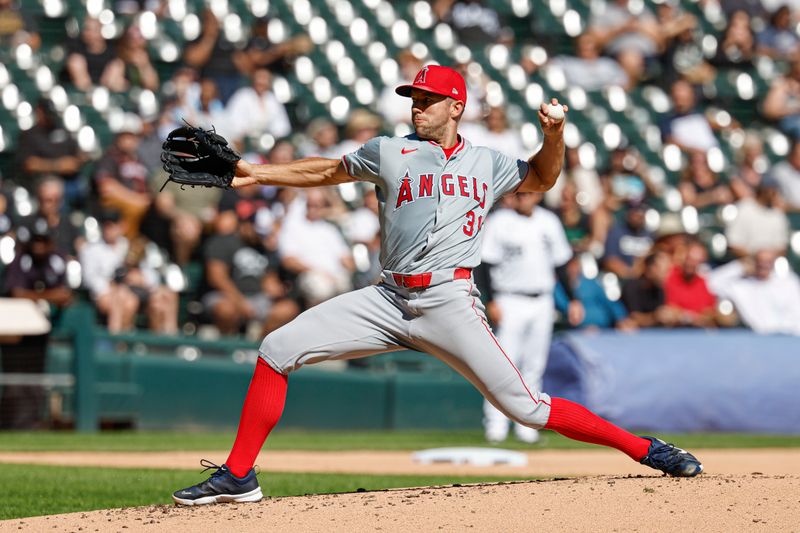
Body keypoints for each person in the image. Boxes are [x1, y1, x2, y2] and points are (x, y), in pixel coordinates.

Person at [172, 65, 702, 506]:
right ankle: (240, 476)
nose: (416, 107)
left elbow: (541, 179)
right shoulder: (389, 151)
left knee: (528, 409)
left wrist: (554, 136)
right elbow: (327, 171)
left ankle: (645, 449)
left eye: (428, 99)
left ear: (456, 106)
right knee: (276, 347)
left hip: (450, 299)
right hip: (387, 297)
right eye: (413, 98)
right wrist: (255, 172)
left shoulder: (488, 162)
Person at [477, 191, 583, 444]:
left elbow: (560, 264)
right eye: (520, 193)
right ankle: (496, 425)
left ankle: (527, 424)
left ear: (538, 196)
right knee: (504, 365)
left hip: (542, 299)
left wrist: (573, 298)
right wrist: (490, 300)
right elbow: (484, 264)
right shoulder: (500, 221)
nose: (524, 198)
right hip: (509, 298)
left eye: (529, 193)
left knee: (534, 366)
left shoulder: (549, 221)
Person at [0, 218, 71, 429]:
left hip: (44, 331)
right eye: (35, 241)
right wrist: (46, 296)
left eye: (43, 241)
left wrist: (37, 297)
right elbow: (16, 293)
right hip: (15, 331)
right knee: (16, 378)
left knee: (36, 378)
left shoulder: (57, 260)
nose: (38, 246)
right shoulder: (21, 259)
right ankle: (13, 423)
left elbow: (65, 295)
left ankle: (30, 421)